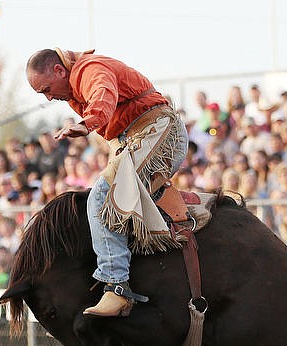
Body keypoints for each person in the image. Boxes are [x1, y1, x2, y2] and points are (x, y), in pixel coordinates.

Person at [26, 48, 189, 316]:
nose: (49, 96)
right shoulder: (74, 83)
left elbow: (103, 93)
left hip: (157, 131)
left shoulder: (88, 69)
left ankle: (117, 286)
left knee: (102, 197)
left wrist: (88, 123)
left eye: (46, 89)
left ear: (58, 70)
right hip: (139, 136)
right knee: (111, 200)